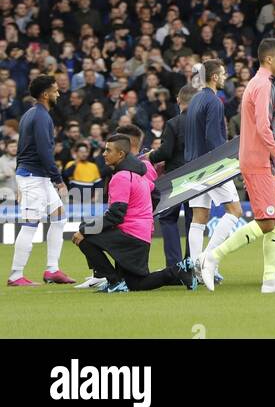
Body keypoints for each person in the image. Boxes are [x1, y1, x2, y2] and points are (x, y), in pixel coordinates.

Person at [196, 39, 275, 294]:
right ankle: (211, 257)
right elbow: (263, 128)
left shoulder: (261, 84)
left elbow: (263, 123)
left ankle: (270, 280)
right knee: (266, 221)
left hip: (265, 160)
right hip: (259, 160)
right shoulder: (262, 85)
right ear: (269, 59)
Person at [72, 134, 197, 292]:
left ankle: (115, 282)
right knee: (137, 284)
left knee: (84, 238)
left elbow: (116, 214)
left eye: (108, 150)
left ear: (121, 154)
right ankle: (177, 271)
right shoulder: (139, 175)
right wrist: (143, 216)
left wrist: (84, 229)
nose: (104, 154)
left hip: (129, 235)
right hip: (141, 235)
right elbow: (156, 194)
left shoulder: (121, 177)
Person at [8, 75, 74, 286]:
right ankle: (16, 275)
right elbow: (45, 151)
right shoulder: (42, 117)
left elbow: (24, 150)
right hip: (33, 178)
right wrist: (59, 180)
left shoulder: (31, 114)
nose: (59, 93)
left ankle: (52, 270)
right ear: (46, 94)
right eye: (55, 90)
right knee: (30, 225)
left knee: (59, 219)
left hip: (36, 177)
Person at [184, 59, 244, 280]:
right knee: (235, 211)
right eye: (223, 73)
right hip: (211, 166)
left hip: (192, 166)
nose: (226, 76)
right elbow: (214, 139)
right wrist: (227, 163)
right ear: (215, 77)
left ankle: (196, 268)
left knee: (198, 218)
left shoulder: (195, 100)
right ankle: (208, 259)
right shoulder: (215, 102)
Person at [145, 83, 194, 269]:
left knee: (168, 218)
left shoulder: (174, 123)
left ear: (178, 101)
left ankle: (174, 267)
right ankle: (191, 264)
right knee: (194, 220)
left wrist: (151, 156)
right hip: (199, 177)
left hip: (175, 178)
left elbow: (165, 152)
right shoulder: (202, 122)